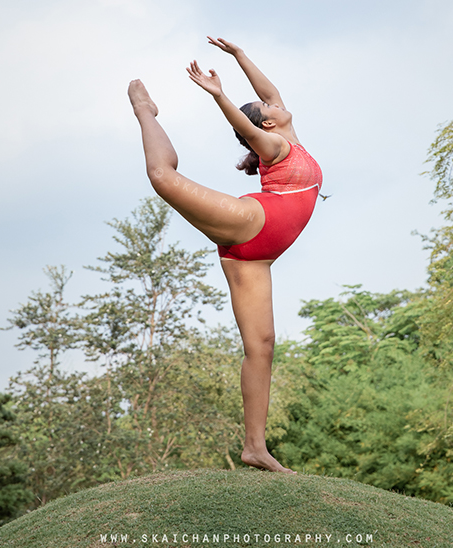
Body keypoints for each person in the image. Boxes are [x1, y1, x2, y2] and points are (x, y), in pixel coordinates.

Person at [128, 37, 322, 473]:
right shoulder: (274, 146)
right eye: (266, 107)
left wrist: (239, 57)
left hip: (256, 257)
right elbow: (249, 128)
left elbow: (269, 93)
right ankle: (145, 112)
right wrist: (220, 95)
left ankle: (255, 448)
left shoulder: (287, 133)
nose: (273, 102)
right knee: (162, 176)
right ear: (267, 124)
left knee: (262, 346)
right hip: (252, 222)